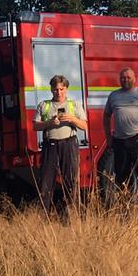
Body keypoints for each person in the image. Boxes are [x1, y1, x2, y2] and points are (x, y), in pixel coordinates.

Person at [102, 66, 138, 195]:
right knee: (121, 177)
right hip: (119, 142)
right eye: (122, 77)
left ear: (134, 79)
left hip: (137, 140)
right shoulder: (113, 95)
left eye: (128, 77)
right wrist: (108, 138)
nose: (125, 80)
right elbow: (106, 116)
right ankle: (125, 208)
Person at [36, 74, 87, 211]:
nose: (58, 92)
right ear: (51, 90)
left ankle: (70, 213)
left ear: (66, 89)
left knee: (70, 180)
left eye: (61, 89)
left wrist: (71, 119)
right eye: (55, 89)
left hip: (68, 144)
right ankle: (44, 216)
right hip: (50, 145)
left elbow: (84, 126)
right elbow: (35, 126)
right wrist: (49, 122)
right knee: (46, 181)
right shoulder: (44, 105)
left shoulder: (74, 105)